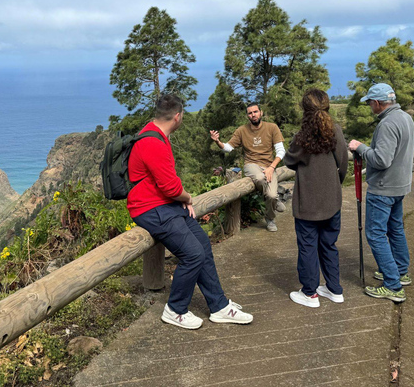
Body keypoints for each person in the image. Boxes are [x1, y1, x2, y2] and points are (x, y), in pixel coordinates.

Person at [129, 94, 253, 329]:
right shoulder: (153, 142)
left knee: (202, 245)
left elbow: (168, 180)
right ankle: (175, 309)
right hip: (150, 209)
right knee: (193, 254)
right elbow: (170, 187)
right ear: (178, 116)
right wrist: (187, 198)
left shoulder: (157, 134)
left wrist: (180, 199)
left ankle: (218, 305)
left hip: (166, 204)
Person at [348, 83, 414, 303]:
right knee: (395, 229)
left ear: (377, 103)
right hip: (400, 185)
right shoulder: (406, 118)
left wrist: (360, 147)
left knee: (375, 234)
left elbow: (381, 160)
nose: (369, 106)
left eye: (370, 102)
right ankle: (401, 271)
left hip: (384, 188)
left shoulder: (387, 124)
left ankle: (393, 286)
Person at [283, 89, 349, 308]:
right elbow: (343, 163)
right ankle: (334, 289)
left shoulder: (302, 137)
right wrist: (334, 185)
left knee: (308, 247)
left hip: (308, 203)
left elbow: (289, 161)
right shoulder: (336, 131)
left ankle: (310, 293)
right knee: (329, 245)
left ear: (305, 109)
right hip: (332, 200)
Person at [210, 103, 287, 231]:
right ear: (247, 116)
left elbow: (281, 151)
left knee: (272, 195)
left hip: (268, 166)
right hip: (251, 165)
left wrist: (271, 167)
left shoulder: (272, 127)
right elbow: (228, 148)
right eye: (250, 113)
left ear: (261, 112)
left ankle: (271, 215)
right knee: (259, 177)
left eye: (255, 112)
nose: (253, 115)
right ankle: (273, 210)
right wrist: (218, 141)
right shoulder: (242, 130)